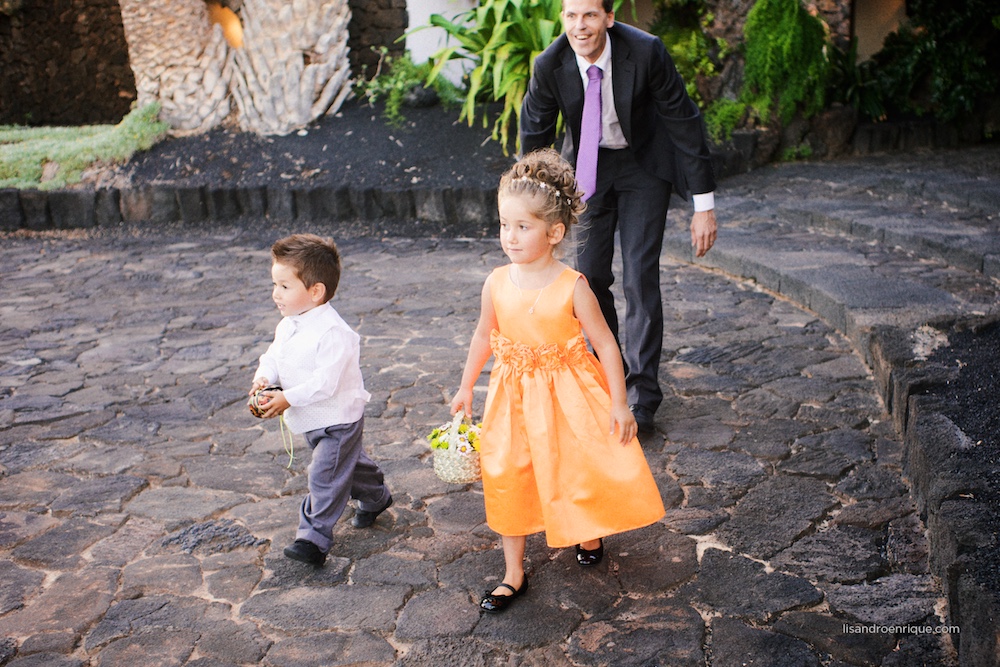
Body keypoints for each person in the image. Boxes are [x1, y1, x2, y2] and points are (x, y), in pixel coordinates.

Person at [451, 149, 665, 614]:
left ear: (554, 233)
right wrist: (467, 385)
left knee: (575, 464)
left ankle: (586, 532)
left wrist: (620, 403)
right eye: (504, 225)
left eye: (522, 227)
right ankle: (513, 572)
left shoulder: (573, 285)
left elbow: (606, 345)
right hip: (512, 398)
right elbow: (484, 335)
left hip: (568, 394)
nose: (510, 236)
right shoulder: (496, 282)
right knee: (508, 473)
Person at [520, 0, 719, 433]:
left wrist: (703, 206)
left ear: (609, 18)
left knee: (639, 275)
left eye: (590, 15)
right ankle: (611, 382)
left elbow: (684, 121)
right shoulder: (549, 63)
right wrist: (527, 212)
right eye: (571, 16)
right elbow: (534, 139)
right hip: (587, 171)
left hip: (644, 166)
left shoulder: (646, 51)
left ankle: (642, 395)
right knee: (589, 280)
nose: (580, 26)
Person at [249, 233, 392, 567]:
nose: (275, 293)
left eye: (284, 286)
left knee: (324, 474)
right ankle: (377, 497)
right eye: (275, 284)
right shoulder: (289, 325)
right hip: (311, 417)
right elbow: (274, 355)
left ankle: (313, 539)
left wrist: (287, 398)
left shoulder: (333, 333)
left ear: (315, 291)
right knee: (349, 466)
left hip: (337, 418)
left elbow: (325, 384)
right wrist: (265, 377)